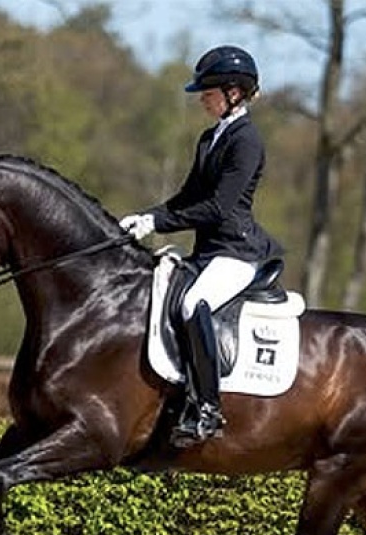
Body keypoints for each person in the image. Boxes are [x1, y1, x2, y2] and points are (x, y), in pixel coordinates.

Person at [119, 45, 283, 447]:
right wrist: (142, 217)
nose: (202, 99)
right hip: (209, 252)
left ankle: (208, 407)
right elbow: (186, 198)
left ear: (234, 93)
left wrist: (158, 223)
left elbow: (217, 207)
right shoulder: (210, 138)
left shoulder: (247, 141)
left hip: (237, 252)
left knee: (195, 305)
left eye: (208, 92)